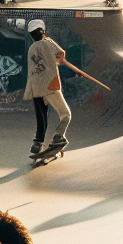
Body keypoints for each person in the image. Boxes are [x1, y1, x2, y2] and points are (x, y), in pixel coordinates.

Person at [23, 19, 71, 156]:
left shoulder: (31, 49)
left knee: (42, 118)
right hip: (49, 85)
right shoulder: (47, 43)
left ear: (31, 35)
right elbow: (61, 54)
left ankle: (37, 143)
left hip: (36, 88)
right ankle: (58, 137)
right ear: (42, 31)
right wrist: (48, 39)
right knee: (65, 114)